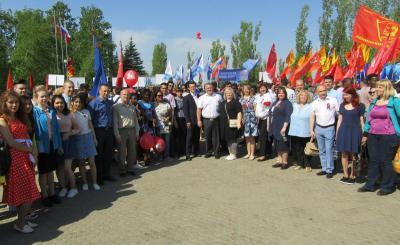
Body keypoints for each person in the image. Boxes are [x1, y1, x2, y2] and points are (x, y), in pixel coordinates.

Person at [0, 91, 40, 233]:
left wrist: (33, 150)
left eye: (16, 102)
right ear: (4, 103)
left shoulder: (19, 117)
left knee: (27, 191)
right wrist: (29, 150)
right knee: (27, 192)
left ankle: (22, 220)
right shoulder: (2, 120)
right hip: (15, 159)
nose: (14, 105)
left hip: (25, 157)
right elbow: (10, 143)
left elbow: (27, 136)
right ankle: (20, 223)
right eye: (10, 102)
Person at [359, 80, 400, 195]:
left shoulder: (394, 101)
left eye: (380, 87)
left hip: (389, 136)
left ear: (387, 88)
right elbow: (369, 119)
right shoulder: (374, 101)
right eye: (377, 87)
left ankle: (388, 186)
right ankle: (371, 184)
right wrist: (365, 134)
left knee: (385, 161)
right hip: (373, 135)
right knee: (373, 160)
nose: (377, 89)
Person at [33, 86, 63, 207]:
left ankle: (52, 193)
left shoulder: (51, 111)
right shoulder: (35, 112)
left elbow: (56, 130)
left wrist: (59, 145)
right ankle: (44, 195)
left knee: (51, 171)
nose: (44, 98)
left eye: (46, 96)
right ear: (36, 98)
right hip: (42, 146)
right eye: (41, 97)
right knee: (43, 172)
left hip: (52, 144)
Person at [70, 95, 100, 191]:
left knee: (92, 162)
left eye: (80, 102)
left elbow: (90, 126)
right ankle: (85, 182)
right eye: (76, 102)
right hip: (77, 139)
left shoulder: (86, 112)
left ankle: (95, 182)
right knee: (82, 163)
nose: (78, 104)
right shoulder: (70, 114)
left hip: (88, 137)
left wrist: (94, 138)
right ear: (72, 103)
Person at [88, 84, 116, 185]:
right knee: (99, 155)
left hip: (109, 130)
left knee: (108, 154)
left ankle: (106, 174)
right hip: (98, 131)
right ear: (99, 91)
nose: (106, 93)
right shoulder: (93, 103)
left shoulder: (110, 103)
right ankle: (99, 177)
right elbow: (89, 120)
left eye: (108, 91)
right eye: (104, 91)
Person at [336, 87, 365, 184]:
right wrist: (337, 133)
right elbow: (339, 120)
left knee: (354, 155)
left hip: (355, 131)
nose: (345, 96)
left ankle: (353, 175)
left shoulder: (360, 106)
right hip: (343, 131)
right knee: (344, 154)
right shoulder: (342, 105)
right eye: (344, 95)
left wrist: (364, 134)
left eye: (347, 94)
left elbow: (362, 121)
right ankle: (345, 175)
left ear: (353, 94)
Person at [53, 95, 80, 198]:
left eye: (61, 103)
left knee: (67, 168)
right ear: (53, 104)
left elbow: (77, 129)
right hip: (56, 142)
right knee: (59, 168)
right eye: (57, 103)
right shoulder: (51, 114)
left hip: (68, 141)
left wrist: (68, 134)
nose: (59, 105)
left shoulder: (70, 114)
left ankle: (73, 188)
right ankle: (63, 187)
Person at [310, 85, 339, 179]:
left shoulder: (333, 100)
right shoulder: (314, 103)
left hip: (329, 128)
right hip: (318, 128)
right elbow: (312, 117)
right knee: (321, 150)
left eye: (324, 91)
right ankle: (324, 168)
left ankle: (330, 169)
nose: (322, 93)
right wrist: (311, 130)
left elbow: (339, 113)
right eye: (320, 91)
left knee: (329, 149)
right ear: (317, 93)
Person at [113, 89, 140, 176]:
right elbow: (115, 122)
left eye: (127, 95)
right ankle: (122, 170)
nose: (126, 96)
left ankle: (130, 168)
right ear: (120, 95)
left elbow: (135, 120)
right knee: (122, 152)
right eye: (124, 94)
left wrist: (137, 132)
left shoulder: (132, 106)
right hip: (122, 131)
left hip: (132, 130)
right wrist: (117, 134)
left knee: (132, 151)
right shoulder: (116, 107)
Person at [288, 90, 313, 172]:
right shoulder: (294, 105)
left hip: (306, 131)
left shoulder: (311, 106)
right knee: (297, 148)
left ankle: (307, 164)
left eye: (305, 95)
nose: (303, 97)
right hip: (295, 131)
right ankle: (300, 163)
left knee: (306, 149)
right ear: (299, 96)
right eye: (301, 95)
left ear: (308, 97)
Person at [197, 83, 223, 159]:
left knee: (216, 137)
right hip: (206, 120)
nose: (209, 89)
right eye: (207, 88)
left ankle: (216, 152)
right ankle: (208, 151)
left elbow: (222, 107)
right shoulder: (201, 98)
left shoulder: (218, 96)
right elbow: (199, 110)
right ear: (204, 89)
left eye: (210, 87)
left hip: (216, 119)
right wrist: (199, 120)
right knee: (207, 137)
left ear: (213, 88)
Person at [269, 87, 293, 169]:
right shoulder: (276, 102)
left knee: (283, 145)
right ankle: (279, 161)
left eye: (282, 93)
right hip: (275, 126)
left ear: (285, 94)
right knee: (277, 145)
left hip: (283, 127)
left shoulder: (287, 103)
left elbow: (288, 116)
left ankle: (285, 162)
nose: (281, 94)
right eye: (279, 93)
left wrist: (285, 127)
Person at [219, 87, 242, 160]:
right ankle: (230, 153)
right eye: (227, 93)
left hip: (232, 124)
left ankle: (234, 154)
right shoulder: (223, 102)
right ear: (225, 94)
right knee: (228, 139)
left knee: (233, 139)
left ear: (233, 94)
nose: (229, 94)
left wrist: (239, 122)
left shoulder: (236, 102)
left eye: (230, 93)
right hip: (224, 124)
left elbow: (239, 113)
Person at [137, 89, 157, 165]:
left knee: (149, 141)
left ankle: (148, 157)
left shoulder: (151, 104)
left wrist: (154, 120)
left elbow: (153, 113)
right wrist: (148, 118)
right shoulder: (139, 103)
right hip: (143, 125)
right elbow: (140, 113)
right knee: (143, 142)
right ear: (142, 95)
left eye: (148, 95)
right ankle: (144, 158)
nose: (147, 96)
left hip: (150, 125)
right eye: (145, 94)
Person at [255, 83, 274, 161]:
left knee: (263, 136)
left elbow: (268, 109)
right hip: (260, 118)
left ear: (266, 88)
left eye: (263, 88)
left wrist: (260, 115)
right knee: (264, 136)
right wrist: (258, 116)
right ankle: (268, 152)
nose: (262, 89)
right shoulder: (259, 96)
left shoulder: (268, 96)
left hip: (266, 118)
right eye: (260, 88)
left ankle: (262, 154)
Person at [240, 85, 258, 160]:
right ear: (243, 90)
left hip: (252, 118)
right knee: (247, 137)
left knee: (252, 137)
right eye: (245, 89)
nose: (246, 90)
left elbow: (255, 109)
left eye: (248, 89)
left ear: (250, 90)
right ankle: (248, 153)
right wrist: (241, 119)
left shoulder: (254, 98)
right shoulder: (241, 99)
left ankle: (252, 154)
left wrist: (256, 119)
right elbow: (241, 110)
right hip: (245, 119)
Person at [183, 81, 200, 161]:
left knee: (196, 136)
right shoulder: (186, 97)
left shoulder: (199, 96)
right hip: (190, 121)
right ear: (188, 88)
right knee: (189, 137)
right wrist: (187, 121)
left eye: (194, 86)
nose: (193, 88)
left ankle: (196, 152)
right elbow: (185, 111)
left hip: (198, 120)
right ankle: (188, 154)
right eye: (191, 87)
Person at [154, 90, 173, 161]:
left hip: (166, 125)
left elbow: (171, 113)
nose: (160, 97)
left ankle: (166, 156)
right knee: (159, 142)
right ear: (155, 97)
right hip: (158, 126)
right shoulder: (153, 105)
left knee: (167, 141)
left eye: (161, 95)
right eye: (158, 96)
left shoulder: (166, 104)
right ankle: (159, 156)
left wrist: (168, 118)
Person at [174, 87, 187, 158]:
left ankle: (184, 150)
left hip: (184, 118)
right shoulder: (174, 99)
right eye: (178, 92)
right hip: (178, 118)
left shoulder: (184, 98)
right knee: (178, 136)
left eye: (181, 91)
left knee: (184, 135)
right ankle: (178, 152)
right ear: (176, 92)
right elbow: (177, 108)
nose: (180, 93)